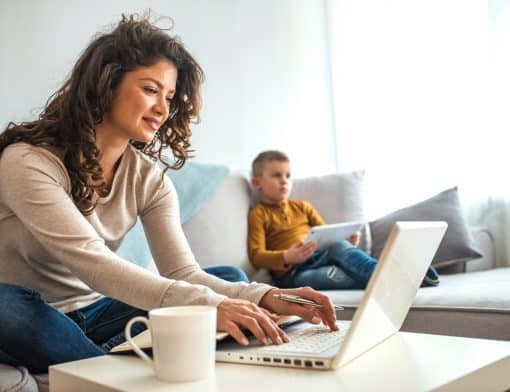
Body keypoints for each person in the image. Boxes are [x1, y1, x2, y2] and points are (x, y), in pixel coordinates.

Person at [0, 14, 337, 374]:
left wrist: (269, 295)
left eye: (170, 96)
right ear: (106, 84)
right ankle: (112, 364)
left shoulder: (149, 180)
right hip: (29, 311)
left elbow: (183, 272)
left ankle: (102, 359)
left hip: (100, 312)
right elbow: (92, 262)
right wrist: (210, 307)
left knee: (230, 279)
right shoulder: (27, 161)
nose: (163, 108)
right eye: (150, 89)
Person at [248, 150, 440, 289]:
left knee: (340, 246)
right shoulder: (258, 213)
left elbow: (325, 235)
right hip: (293, 274)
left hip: (322, 255)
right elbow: (256, 256)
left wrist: (344, 239)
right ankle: (405, 277)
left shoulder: (302, 206)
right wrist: (286, 257)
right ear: (257, 183)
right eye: (276, 175)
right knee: (341, 277)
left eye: (288, 176)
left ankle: (398, 273)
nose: (284, 181)